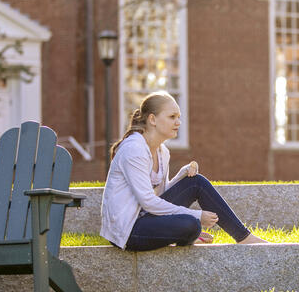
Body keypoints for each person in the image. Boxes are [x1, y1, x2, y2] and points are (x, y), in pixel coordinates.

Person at [100, 91, 267, 251]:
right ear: (152, 119)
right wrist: (197, 215)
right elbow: (148, 202)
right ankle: (186, 234)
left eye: (179, 117)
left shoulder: (162, 152)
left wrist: (182, 175)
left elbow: (161, 194)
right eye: (172, 117)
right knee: (191, 224)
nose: (178, 122)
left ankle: (243, 237)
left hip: (147, 218)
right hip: (128, 230)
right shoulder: (134, 149)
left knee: (196, 182)